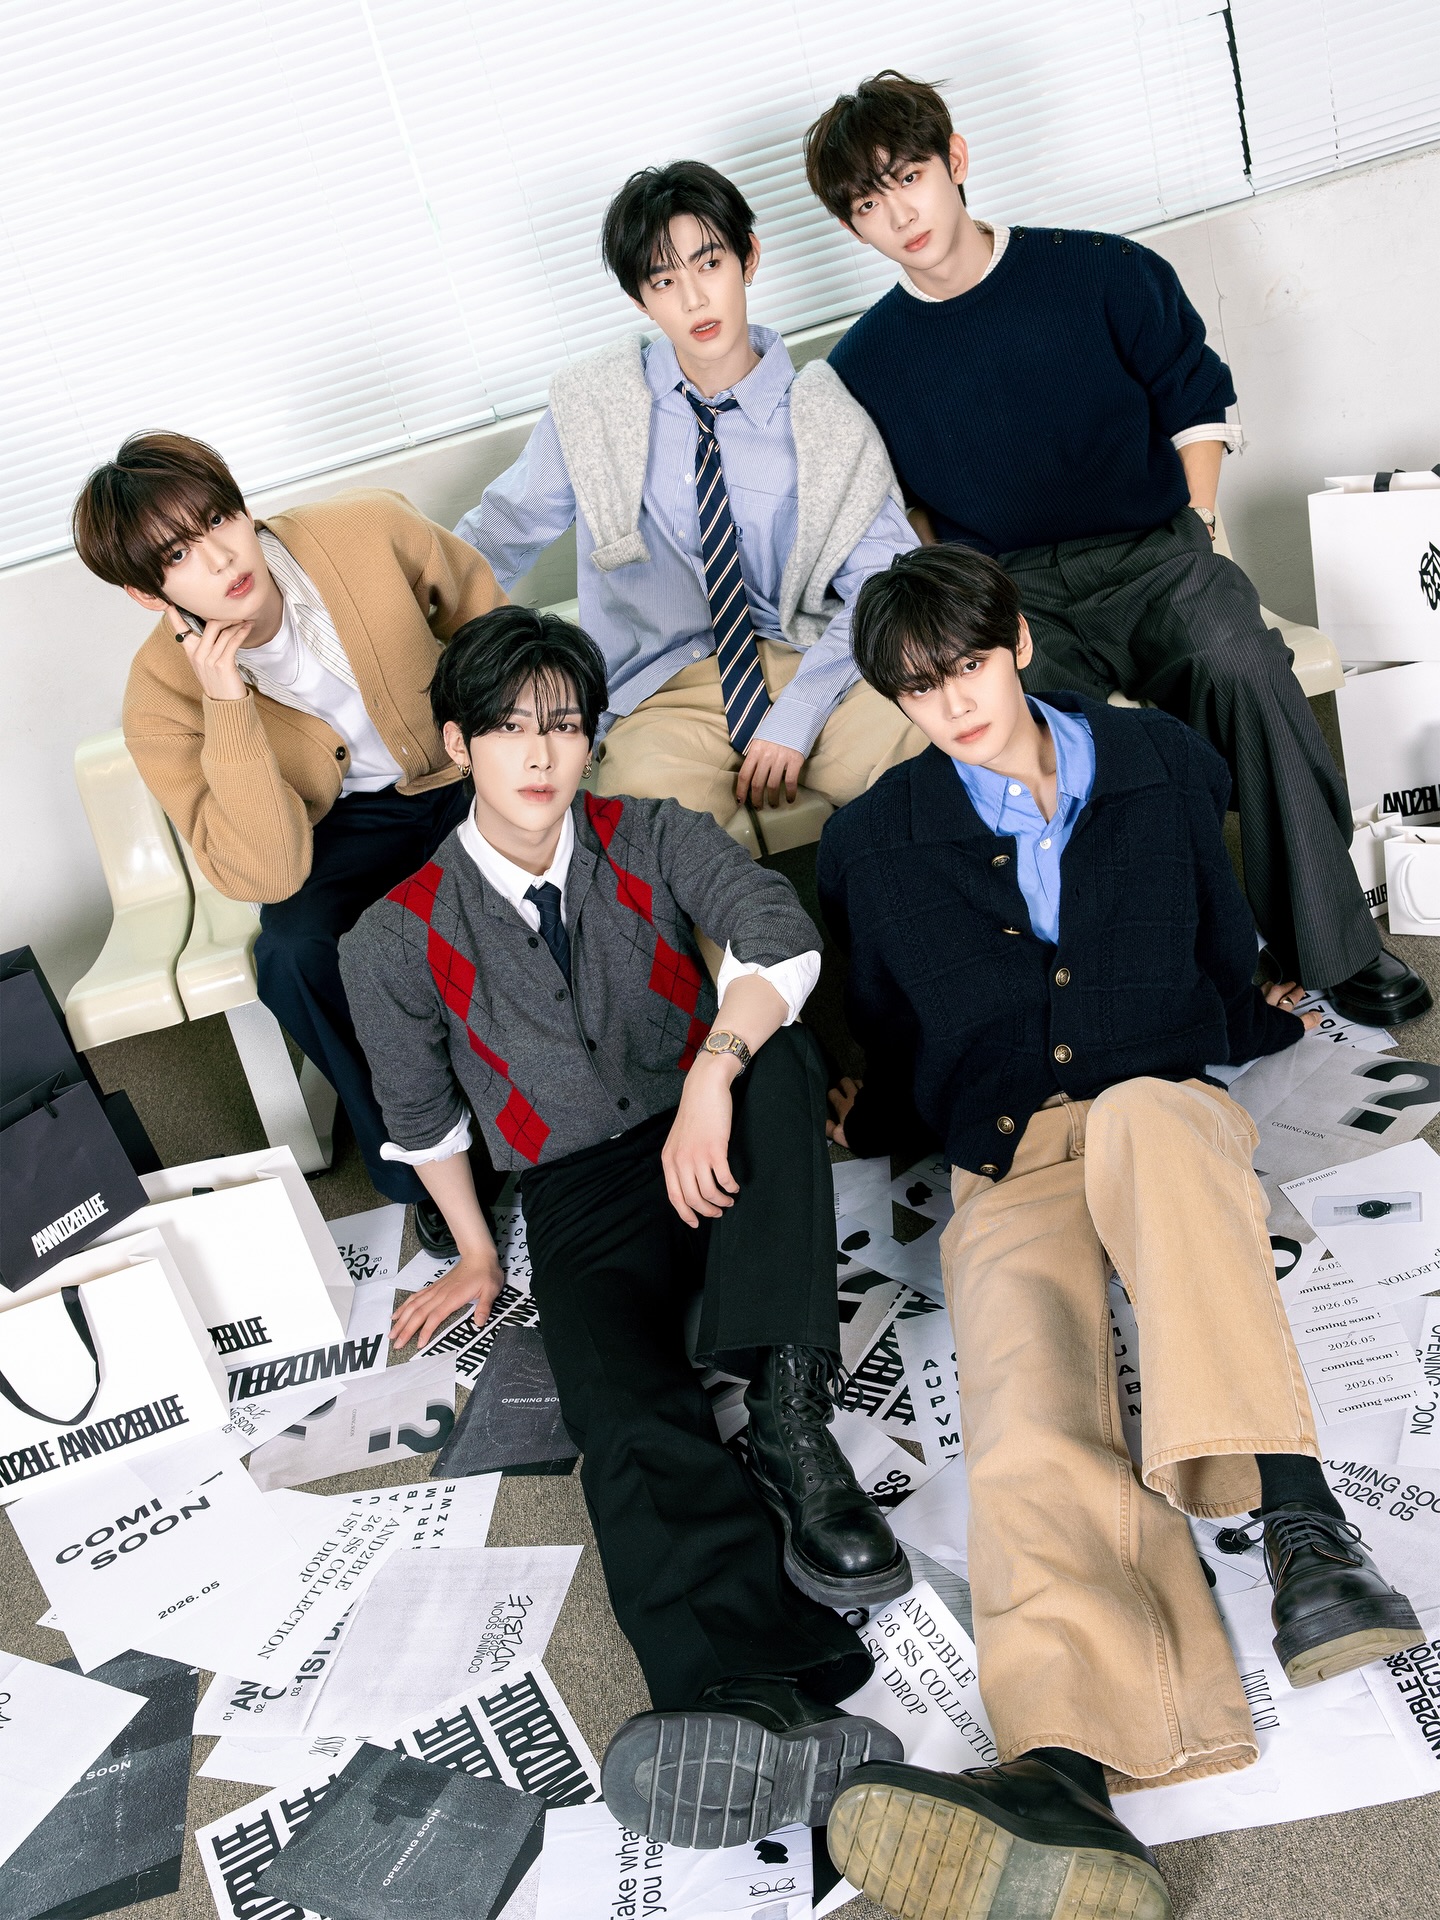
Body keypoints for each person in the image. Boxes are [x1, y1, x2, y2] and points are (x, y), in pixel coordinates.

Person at [814, 546, 1424, 1920]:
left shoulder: (1157, 764)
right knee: (1024, 1414)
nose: (954, 705)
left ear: (1018, 644)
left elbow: (1216, 938)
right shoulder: (871, 843)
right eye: (919, 689)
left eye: (969, 666)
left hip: (1160, 1105)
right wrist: (877, 1109)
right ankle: (1067, 1772)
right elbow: (891, 1025)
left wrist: (1261, 1012)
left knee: (1155, 1121)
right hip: (1006, 1150)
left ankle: (1304, 1528)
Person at [337, 604, 910, 1846]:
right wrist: (476, 1251)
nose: (541, 753)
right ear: (459, 744)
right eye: (508, 728)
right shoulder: (393, 936)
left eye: (563, 724)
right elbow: (421, 1115)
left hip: (713, 1130)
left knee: (780, 1054)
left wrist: (713, 1069)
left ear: (591, 736)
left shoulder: (651, 832)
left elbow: (777, 932)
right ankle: (750, 1691)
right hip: (577, 1189)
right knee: (625, 1413)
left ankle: (789, 1416)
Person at [802, 72, 1430, 1032]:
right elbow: (909, 516)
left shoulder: (1101, 269)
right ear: (853, 228)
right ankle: (1160, 975)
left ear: (955, 160)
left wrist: (1203, 527)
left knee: (1243, 666)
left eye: (909, 178)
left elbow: (1195, 399)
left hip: (1156, 551)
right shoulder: (864, 365)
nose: (899, 215)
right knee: (1036, 738)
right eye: (867, 205)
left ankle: (1332, 946)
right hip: (1010, 593)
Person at [71, 433, 508, 1255]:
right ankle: (426, 1170)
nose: (221, 558)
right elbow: (268, 872)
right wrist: (227, 704)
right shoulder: (159, 699)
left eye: (217, 520)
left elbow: (494, 625)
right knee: (294, 955)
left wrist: (508, 747)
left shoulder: (368, 529)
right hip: (340, 830)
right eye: (178, 555)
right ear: (146, 593)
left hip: (462, 772)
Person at [453, 160, 926, 840]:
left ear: (748, 258)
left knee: (927, 771)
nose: (696, 299)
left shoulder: (823, 415)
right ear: (640, 300)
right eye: (664, 281)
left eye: (709, 264)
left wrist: (799, 713)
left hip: (814, 664)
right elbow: (499, 535)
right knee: (647, 838)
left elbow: (886, 585)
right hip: (661, 693)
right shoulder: (595, 405)